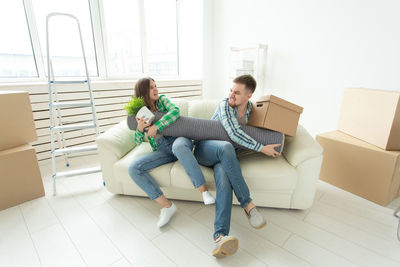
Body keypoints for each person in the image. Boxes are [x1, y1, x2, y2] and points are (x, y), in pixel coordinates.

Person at [172, 74, 281, 258]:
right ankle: (248, 204)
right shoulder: (225, 105)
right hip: (205, 148)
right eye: (231, 90)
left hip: (226, 156)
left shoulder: (250, 110)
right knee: (226, 145)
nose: (231, 94)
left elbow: (257, 128)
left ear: (249, 96)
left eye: (237, 93)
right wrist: (262, 148)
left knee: (224, 181)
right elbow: (235, 133)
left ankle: (220, 237)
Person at [128, 77, 214, 229]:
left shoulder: (162, 100)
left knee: (179, 147)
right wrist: (140, 128)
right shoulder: (141, 112)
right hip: (162, 149)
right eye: (151, 88)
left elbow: (175, 111)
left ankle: (203, 191)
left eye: (156, 86)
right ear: (143, 92)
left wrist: (157, 126)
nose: (156, 89)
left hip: (180, 140)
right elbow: (137, 141)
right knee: (134, 168)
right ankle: (167, 206)